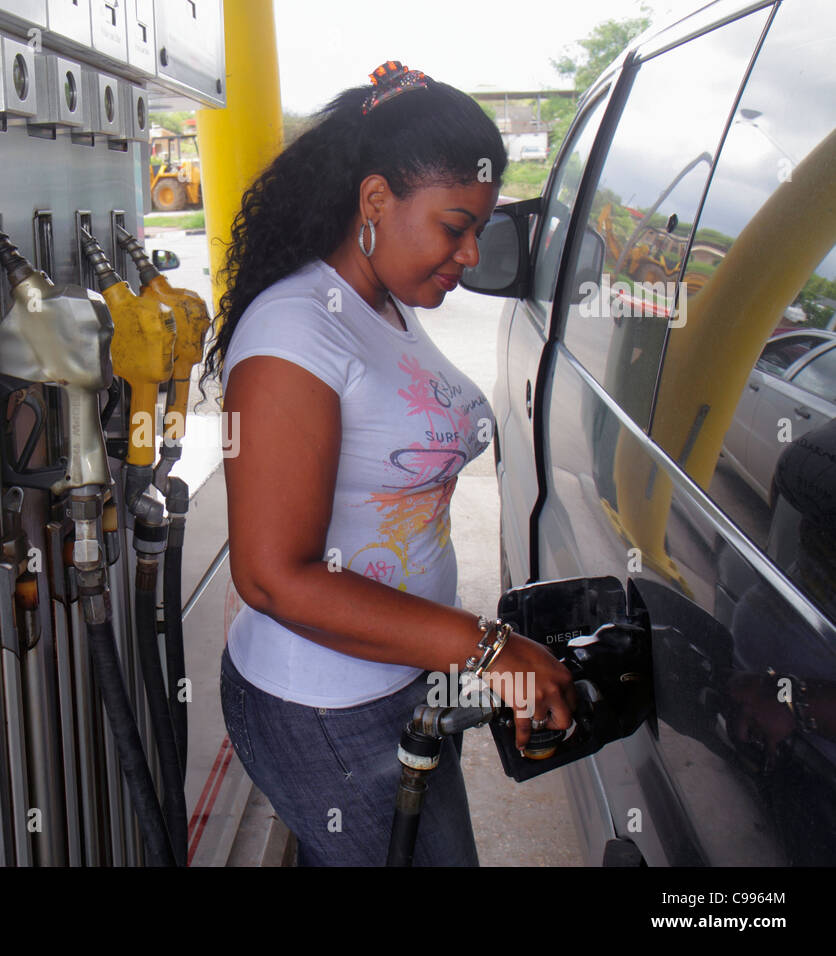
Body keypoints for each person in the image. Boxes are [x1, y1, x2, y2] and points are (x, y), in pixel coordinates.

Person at [208, 61, 578, 866]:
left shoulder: (379, 304)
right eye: (455, 227)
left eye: (479, 228)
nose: (472, 253)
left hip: (390, 683)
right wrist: (484, 647)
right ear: (375, 201)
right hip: (325, 709)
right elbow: (272, 577)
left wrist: (459, 650)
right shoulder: (296, 334)